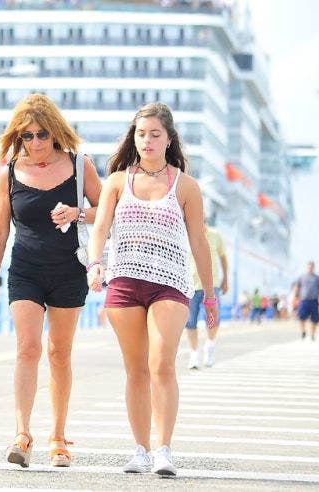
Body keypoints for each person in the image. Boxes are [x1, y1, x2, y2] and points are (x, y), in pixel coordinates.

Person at [85, 102, 217, 476]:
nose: (147, 140)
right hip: (124, 282)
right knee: (135, 370)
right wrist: (96, 264)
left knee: (161, 365)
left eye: (155, 134)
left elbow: (199, 242)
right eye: (141, 134)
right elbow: (99, 229)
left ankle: (163, 449)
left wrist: (208, 295)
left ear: (169, 138)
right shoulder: (116, 181)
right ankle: (140, 449)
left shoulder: (186, 186)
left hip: (170, 285)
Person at [0, 94, 101, 468]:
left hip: (69, 271)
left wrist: (79, 212)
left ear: (56, 132)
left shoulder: (80, 166)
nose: (36, 142)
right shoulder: (10, 172)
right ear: (19, 137)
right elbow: (0, 230)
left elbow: (105, 211)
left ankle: (59, 437)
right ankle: (22, 433)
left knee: (59, 353)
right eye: (28, 135)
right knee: (27, 349)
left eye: (43, 134)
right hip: (25, 270)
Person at [184, 222, 228, 369]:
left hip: (212, 284)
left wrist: (226, 278)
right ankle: (194, 355)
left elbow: (223, 258)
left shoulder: (215, 235)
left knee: (211, 319)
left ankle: (209, 345)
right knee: (190, 322)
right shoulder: (185, 234)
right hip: (191, 285)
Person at [293, 261, 319, 341]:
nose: (310, 269)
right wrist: (295, 296)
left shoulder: (317, 278)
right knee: (301, 317)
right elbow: (297, 287)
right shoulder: (302, 277)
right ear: (307, 267)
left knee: (315, 319)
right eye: (309, 267)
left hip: (314, 300)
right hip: (303, 300)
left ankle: (312, 334)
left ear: (314, 268)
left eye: (312, 267)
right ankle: (303, 332)